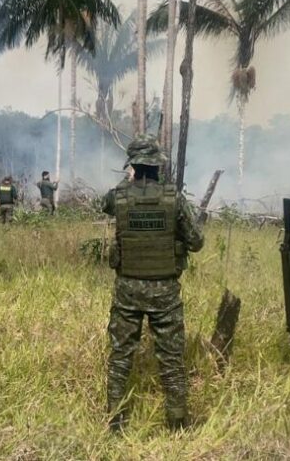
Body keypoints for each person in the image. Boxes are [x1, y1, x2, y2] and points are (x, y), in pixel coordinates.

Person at [102, 135, 204, 433]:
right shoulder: (174, 198)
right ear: (158, 165)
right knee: (171, 358)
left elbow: (106, 203)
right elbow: (196, 242)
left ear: (132, 165)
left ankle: (115, 422)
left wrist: (129, 182)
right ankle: (177, 423)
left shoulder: (117, 196)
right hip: (165, 291)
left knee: (121, 355)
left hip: (128, 289)